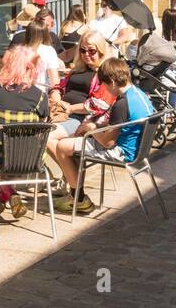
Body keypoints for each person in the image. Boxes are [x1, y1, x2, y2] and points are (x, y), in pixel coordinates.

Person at [51, 58, 154, 216]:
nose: (104, 88)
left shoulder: (121, 103)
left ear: (112, 82)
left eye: (104, 85)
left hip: (121, 151)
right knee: (76, 143)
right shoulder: (138, 94)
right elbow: (117, 128)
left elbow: (108, 142)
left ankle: (78, 199)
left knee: (62, 147)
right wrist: (94, 129)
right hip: (138, 149)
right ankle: (76, 193)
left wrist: (91, 128)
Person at [0, 45, 50, 220]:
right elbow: (42, 128)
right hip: (32, 159)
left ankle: (8, 194)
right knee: (9, 154)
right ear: (31, 68)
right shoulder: (41, 96)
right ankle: (3, 199)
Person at [20, 19, 62, 94]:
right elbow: (54, 80)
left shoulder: (20, 50)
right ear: (46, 34)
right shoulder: (49, 50)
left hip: (19, 92)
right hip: (39, 95)